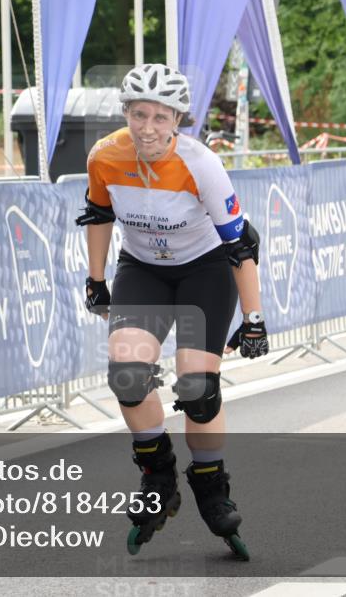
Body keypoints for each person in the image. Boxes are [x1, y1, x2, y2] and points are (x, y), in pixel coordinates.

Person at [76, 63, 268, 560]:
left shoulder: (200, 164)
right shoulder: (105, 155)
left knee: (199, 390)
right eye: (139, 114)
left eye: (161, 118)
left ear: (178, 120)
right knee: (127, 375)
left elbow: (241, 246)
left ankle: (211, 487)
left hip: (204, 270)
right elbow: (98, 215)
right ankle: (158, 476)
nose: (148, 128)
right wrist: (96, 280)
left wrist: (254, 319)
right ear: (125, 113)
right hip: (143, 268)